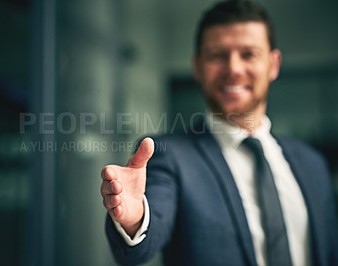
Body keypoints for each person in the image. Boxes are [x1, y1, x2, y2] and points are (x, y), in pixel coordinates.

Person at [100, 0, 338, 265]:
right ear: (197, 67)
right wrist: (135, 219)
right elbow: (145, 239)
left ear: (273, 64)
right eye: (217, 55)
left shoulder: (313, 164)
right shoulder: (168, 155)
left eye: (248, 54)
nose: (234, 68)